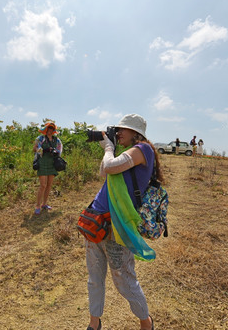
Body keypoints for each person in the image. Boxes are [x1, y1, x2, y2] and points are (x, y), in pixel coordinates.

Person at [85, 114, 161, 330]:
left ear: (136, 133)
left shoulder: (144, 149)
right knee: (94, 278)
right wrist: (110, 149)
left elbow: (109, 166)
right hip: (97, 220)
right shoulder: (126, 154)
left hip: (117, 226)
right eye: (116, 130)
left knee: (124, 280)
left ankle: (146, 323)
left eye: (122, 130)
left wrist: (108, 148)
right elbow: (104, 171)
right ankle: (94, 323)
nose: (118, 133)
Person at [33, 122, 63, 215]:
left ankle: (44, 204)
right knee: (43, 185)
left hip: (52, 163)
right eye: (49, 128)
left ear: (54, 130)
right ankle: (37, 206)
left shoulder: (56, 140)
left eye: (52, 129)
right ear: (46, 129)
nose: (50, 130)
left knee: (49, 185)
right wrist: (44, 150)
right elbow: (34, 148)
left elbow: (60, 150)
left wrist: (55, 152)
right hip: (42, 163)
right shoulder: (40, 138)